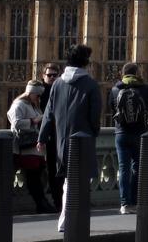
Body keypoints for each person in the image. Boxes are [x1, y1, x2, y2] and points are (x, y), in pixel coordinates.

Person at [38, 44, 103, 231]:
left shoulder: (57, 83)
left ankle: (68, 219)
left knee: (68, 180)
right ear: (86, 63)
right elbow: (95, 115)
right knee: (81, 181)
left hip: (61, 142)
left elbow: (48, 113)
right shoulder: (90, 84)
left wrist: (42, 137)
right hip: (83, 140)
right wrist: (93, 131)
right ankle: (68, 219)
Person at [110, 64, 148, 214]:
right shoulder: (144, 88)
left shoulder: (114, 89)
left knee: (123, 168)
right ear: (137, 73)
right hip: (139, 133)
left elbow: (112, 108)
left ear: (122, 73)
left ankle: (125, 203)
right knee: (137, 168)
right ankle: (135, 201)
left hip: (121, 133)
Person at [8, 81, 55, 214]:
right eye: (37, 95)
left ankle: (42, 202)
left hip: (34, 147)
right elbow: (16, 122)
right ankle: (41, 204)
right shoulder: (19, 104)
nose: (39, 98)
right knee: (33, 177)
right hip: (25, 146)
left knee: (38, 175)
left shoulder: (33, 105)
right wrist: (34, 121)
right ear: (31, 93)